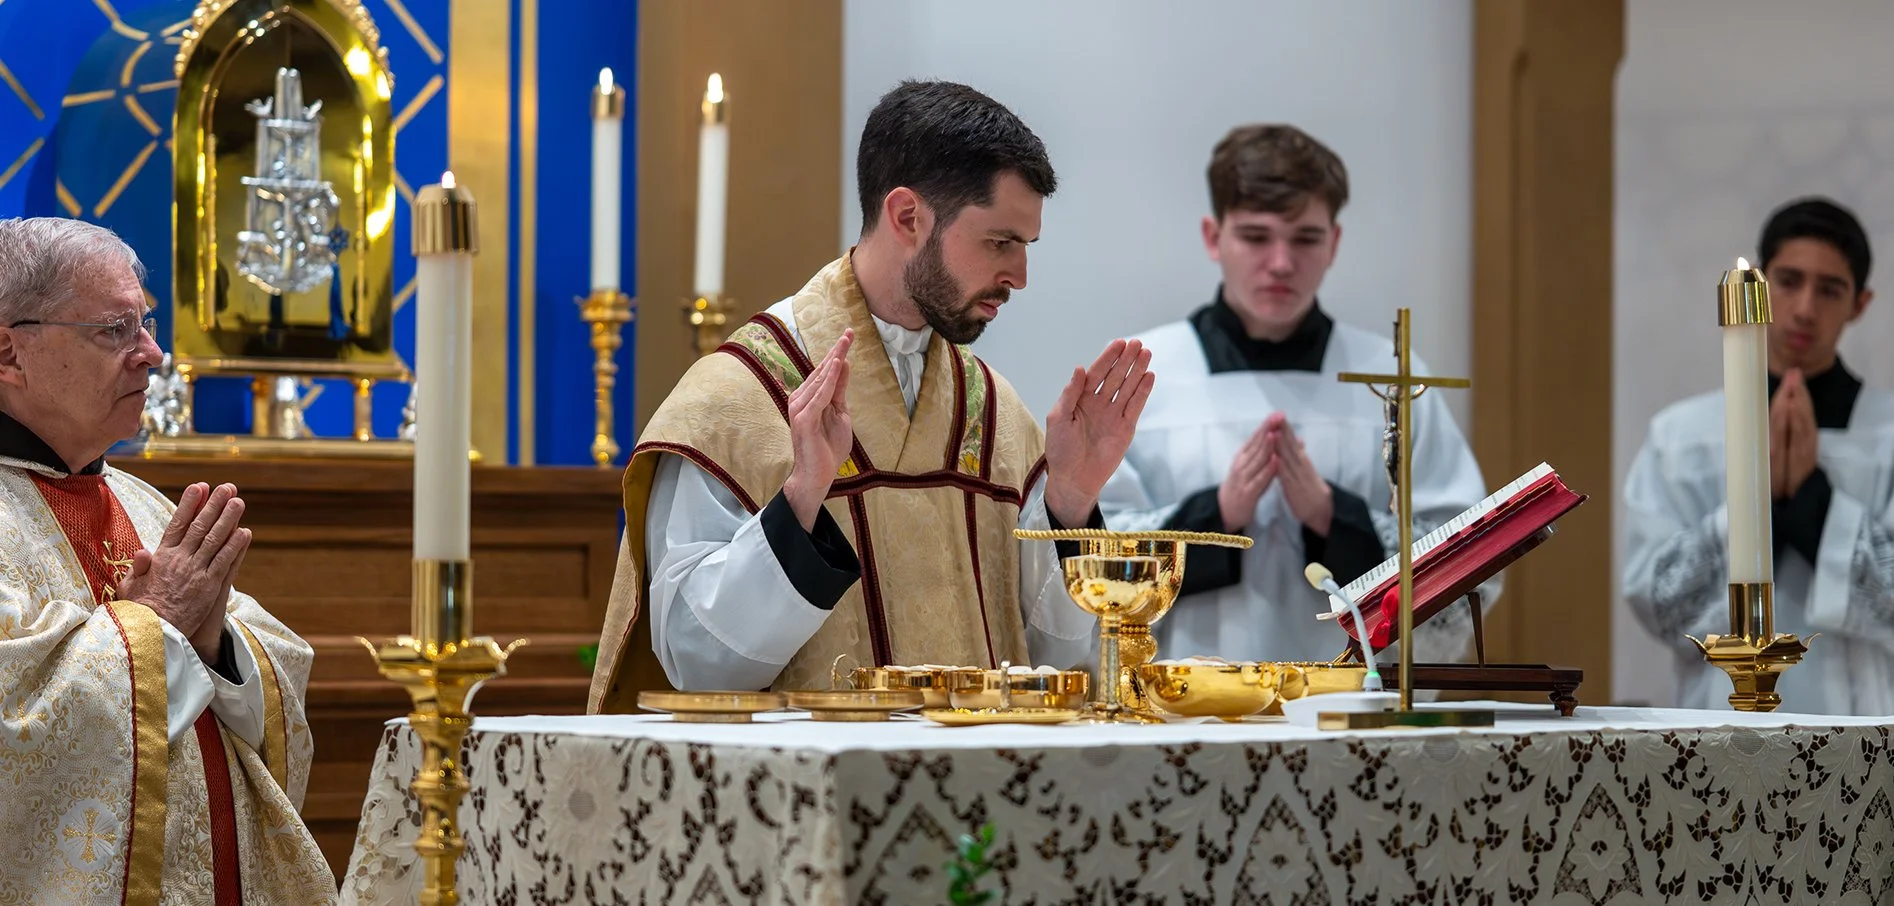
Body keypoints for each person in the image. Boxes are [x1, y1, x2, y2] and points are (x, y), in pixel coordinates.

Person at [588, 80, 1152, 704]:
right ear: (907, 217)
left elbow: (1049, 661)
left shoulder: (995, 415)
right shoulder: (734, 404)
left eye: (1026, 246)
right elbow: (697, 664)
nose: (1019, 276)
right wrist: (802, 499)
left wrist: (1070, 500)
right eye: (1000, 242)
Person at [0, 217, 333, 901]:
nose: (151, 353)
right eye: (114, 330)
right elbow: (16, 729)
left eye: (145, 325)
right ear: (9, 353)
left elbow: (278, 675)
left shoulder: (144, 505)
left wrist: (214, 646)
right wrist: (157, 629)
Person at [1098, 124, 1495, 664]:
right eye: (1256, 237)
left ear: (1334, 242)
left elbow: (1471, 566)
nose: (1281, 262)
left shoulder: (1391, 377)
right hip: (1179, 699)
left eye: (1306, 238)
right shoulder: (1146, 372)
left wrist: (1336, 519)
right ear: (1214, 237)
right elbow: (1082, 556)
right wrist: (1214, 518)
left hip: (1353, 703)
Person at [1624, 197, 1894, 714]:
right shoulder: (1682, 437)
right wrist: (1760, 492)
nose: (1805, 309)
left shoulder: (1886, 433)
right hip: (1719, 717)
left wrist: (1813, 502)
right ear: (1762, 286)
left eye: (1830, 289)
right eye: (1789, 281)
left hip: (1867, 722)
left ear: (1860, 303)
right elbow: (1658, 605)